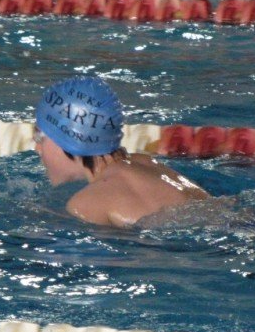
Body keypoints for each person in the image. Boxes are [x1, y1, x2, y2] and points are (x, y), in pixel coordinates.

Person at [33, 76, 210, 227]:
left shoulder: (85, 203)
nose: (37, 148)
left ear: (70, 140)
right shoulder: (145, 162)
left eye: (40, 137)